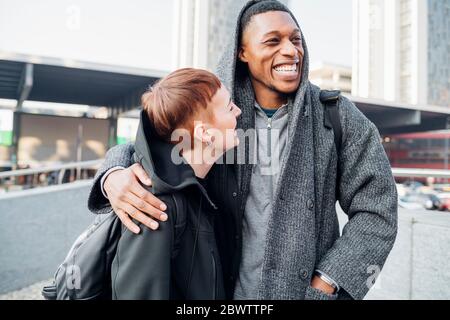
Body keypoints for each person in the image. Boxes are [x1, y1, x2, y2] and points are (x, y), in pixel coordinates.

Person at [88, 0, 398, 300]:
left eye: (296, 39)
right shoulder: (218, 110)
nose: (291, 51)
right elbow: (151, 142)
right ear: (243, 52)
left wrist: (329, 280)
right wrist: (112, 175)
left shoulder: (335, 114)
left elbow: (378, 206)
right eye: (273, 41)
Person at [110, 68, 242, 299]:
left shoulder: (203, 184)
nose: (239, 112)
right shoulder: (156, 205)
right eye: (230, 107)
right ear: (205, 133)